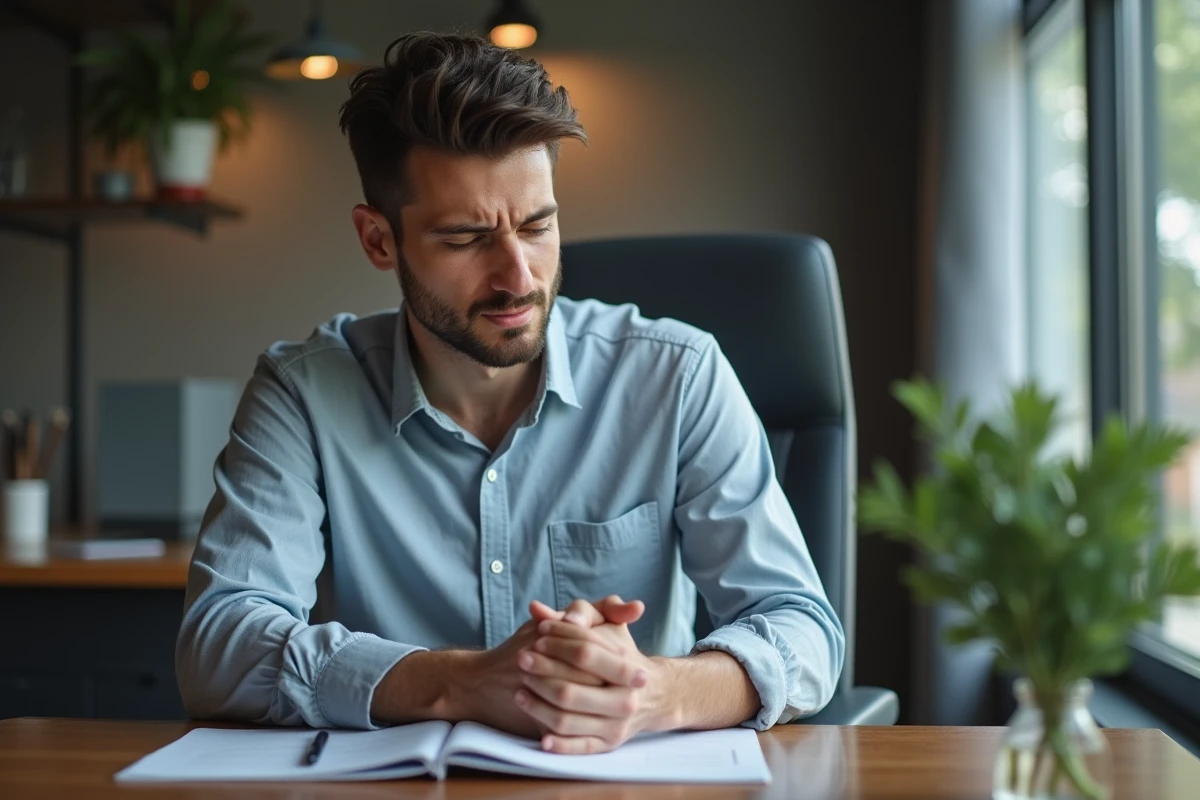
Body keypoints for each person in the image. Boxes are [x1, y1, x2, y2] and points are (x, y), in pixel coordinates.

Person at [176, 31, 844, 755]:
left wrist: (655, 693)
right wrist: (453, 682)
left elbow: (803, 630)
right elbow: (219, 647)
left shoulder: (677, 376)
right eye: (465, 238)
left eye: (538, 225)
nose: (518, 277)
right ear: (379, 241)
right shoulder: (302, 394)